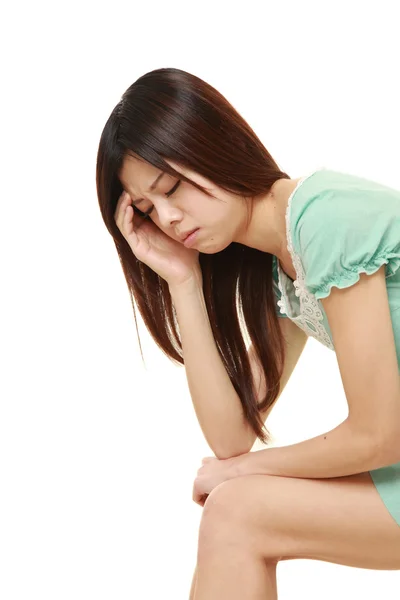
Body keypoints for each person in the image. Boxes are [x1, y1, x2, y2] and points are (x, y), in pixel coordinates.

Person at [96, 67, 400, 598]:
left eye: (171, 188)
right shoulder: (283, 257)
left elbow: (380, 434)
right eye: (147, 209)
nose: (167, 217)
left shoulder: (322, 219)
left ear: (215, 143)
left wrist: (241, 474)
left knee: (237, 510)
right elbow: (232, 436)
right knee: (235, 510)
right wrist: (184, 281)